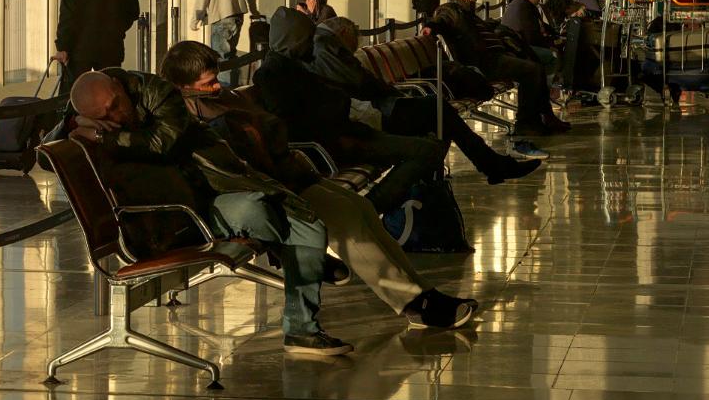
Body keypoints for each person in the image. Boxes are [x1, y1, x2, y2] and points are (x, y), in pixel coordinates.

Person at [159, 42, 480, 334]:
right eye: (207, 84)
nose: (216, 87)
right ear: (182, 87)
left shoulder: (219, 102)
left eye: (216, 78)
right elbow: (231, 170)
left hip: (285, 178)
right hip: (266, 192)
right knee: (347, 221)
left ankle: (421, 293)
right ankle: (415, 304)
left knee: (361, 208)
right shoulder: (186, 122)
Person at [61, 69, 349, 356]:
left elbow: (162, 142)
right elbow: (52, 143)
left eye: (115, 104)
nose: (116, 115)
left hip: (213, 184)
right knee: (260, 212)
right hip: (178, 216)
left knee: (309, 225)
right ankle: (306, 282)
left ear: (118, 85)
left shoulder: (155, 91)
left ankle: (302, 328)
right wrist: (77, 122)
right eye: (104, 115)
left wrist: (102, 134)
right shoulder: (94, 109)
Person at [251, 8, 448, 215]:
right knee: (427, 150)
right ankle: (368, 210)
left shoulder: (294, 67)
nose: (312, 43)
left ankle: (370, 211)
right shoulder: (274, 76)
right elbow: (293, 125)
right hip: (335, 144)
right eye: (308, 39)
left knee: (428, 140)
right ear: (295, 40)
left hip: (346, 134)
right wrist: (336, 111)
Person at [311, 16, 546, 174]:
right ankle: (490, 165)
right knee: (437, 110)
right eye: (351, 45)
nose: (352, 51)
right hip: (372, 112)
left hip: (376, 107)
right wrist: (383, 88)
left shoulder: (325, 48)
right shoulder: (327, 49)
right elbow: (361, 81)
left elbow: (361, 81)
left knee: (436, 114)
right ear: (342, 33)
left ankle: (484, 166)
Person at [430, 0, 570, 138]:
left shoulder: (468, 15)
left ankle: (544, 116)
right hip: (484, 63)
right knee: (532, 70)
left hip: (493, 57)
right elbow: (441, 19)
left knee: (534, 65)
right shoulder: (451, 9)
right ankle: (526, 123)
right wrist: (431, 26)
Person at [501, 0, 559, 77]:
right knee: (553, 57)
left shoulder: (527, 4)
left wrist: (556, 35)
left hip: (522, 44)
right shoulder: (522, 7)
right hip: (519, 48)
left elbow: (541, 25)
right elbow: (531, 37)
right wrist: (551, 44)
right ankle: (545, 89)